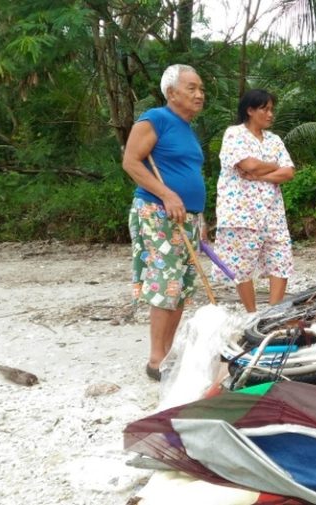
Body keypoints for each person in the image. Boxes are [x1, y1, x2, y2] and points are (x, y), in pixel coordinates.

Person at [122, 64, 207, 381]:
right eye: (191, 88)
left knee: (181, 286)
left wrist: (201, 217)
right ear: (171, 92)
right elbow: (131, 161)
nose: (199, 94)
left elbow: (191, 175)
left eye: (201, 89)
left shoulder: (187, 128)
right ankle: (156, 359)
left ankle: (169, 352)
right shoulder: (156, 119)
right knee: (164, 284)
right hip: (158, 211)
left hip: (187, 217)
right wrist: (167, 195)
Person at [214, 89, 295, 312]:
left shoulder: (274, 140)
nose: (270, 114)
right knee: (242, 265)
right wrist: (273, 166)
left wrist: (262, 173)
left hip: (273, 213)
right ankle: (251, 314)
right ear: (250, 110)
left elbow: (288, 172)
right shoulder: (234, 134)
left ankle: (273, 313)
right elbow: (247, 165)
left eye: (271, 109)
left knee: (281, 261)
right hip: (241, 213)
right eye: (265, 109)